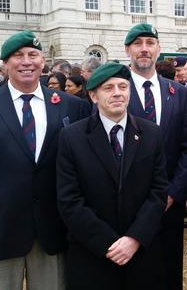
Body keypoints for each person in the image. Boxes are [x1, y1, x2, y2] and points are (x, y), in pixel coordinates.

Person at [0, 30, 91, 290]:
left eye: (33, 54)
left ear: (42, 61)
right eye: (18, 56)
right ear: (5, 63)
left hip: (52, 231)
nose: (26, 61)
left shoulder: (70, 106)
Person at [57, 63, 168, 289]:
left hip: (141, 252)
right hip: (92, 254)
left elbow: (158, 192)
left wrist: (134, 239)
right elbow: (69, 200)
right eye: (108, 88)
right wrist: (108, 243)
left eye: (123, 86)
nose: (117, 93)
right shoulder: (72, 137)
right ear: (93, 96)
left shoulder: (151, 133)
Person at [124, 23, 187, 290]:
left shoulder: (177, 92)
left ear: (158, 49)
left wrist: (175, 192)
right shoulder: (116, 90)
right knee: (132, 273)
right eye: (138, 43)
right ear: (127, 50)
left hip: (169, 203)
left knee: (168, 272)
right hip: (127, 202)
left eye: (150, 43)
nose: (144, 49)